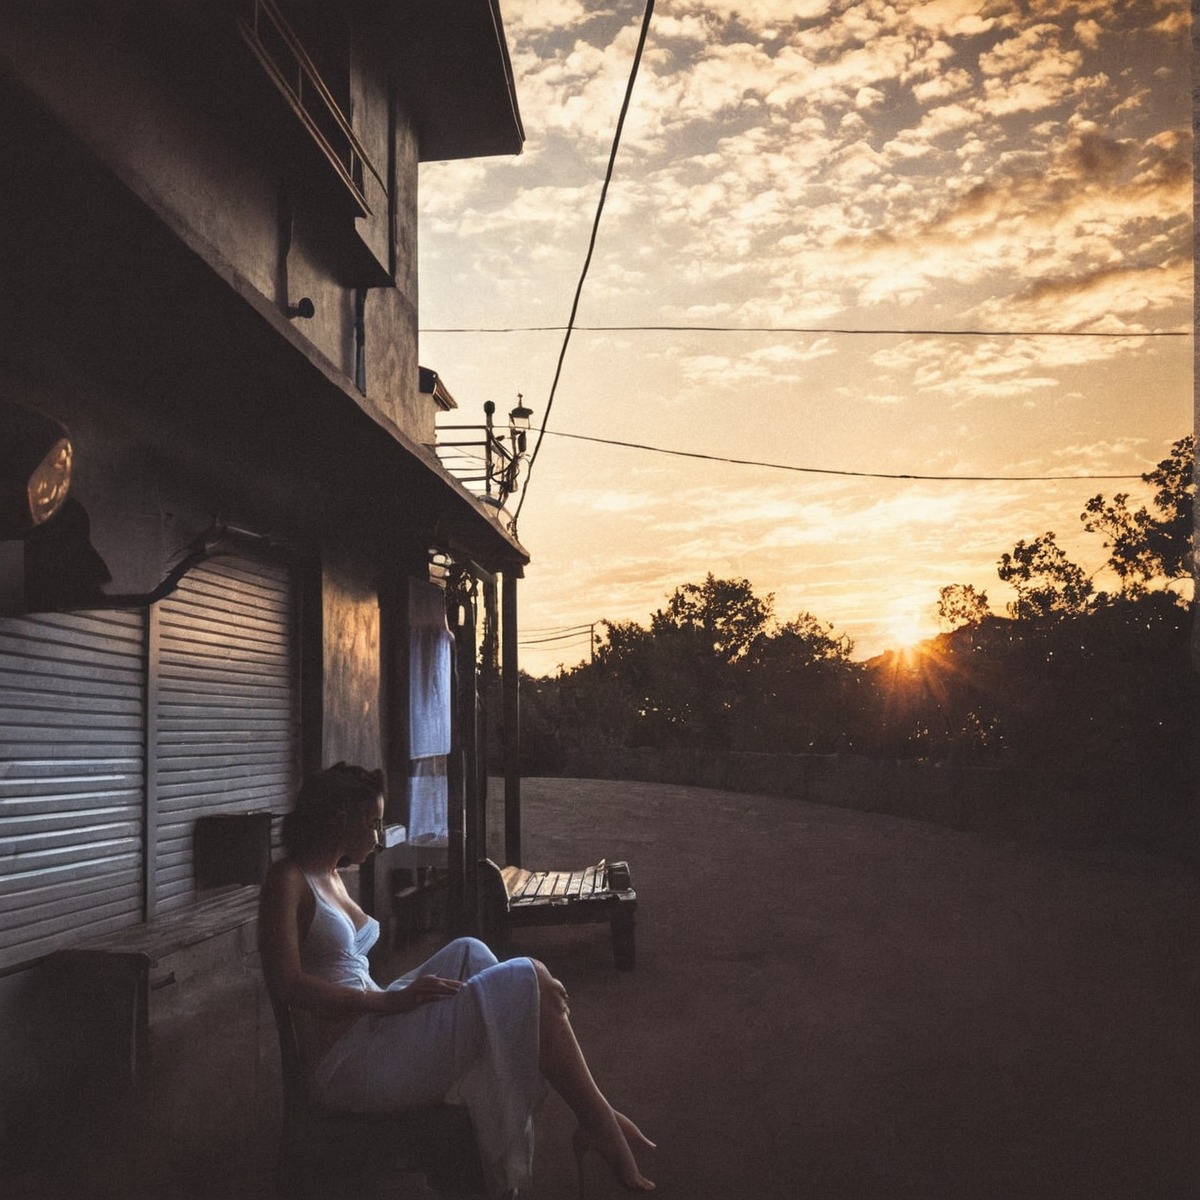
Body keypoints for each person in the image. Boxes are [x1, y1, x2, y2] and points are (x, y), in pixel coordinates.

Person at [258, 762, 655, 1198]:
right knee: (529, 977)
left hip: (371, 1026)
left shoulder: (333, 876)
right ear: (339, 820)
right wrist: (388, 1004)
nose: (378, 835)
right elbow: (287, 984)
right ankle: (598, 1121)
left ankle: (576, 1089)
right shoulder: (288, 880)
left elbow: (345, 968)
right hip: (349, 1065)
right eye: (373, 823)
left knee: (469, 949)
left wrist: (389, 1003)